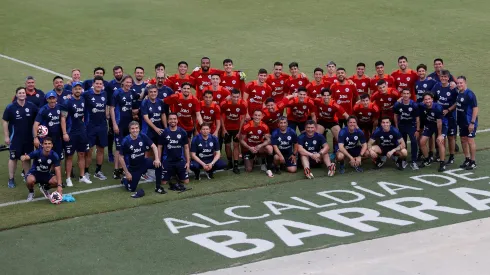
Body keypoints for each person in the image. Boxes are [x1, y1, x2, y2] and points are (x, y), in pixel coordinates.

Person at [2, 87, 39, 188]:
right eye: (20, 93)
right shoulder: (11, 107)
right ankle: (11, 179)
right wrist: (6, 136)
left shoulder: (31, 106)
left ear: (25, 95)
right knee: (13, 158)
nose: (22, 94)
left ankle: (27, 176)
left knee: (27, 158)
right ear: (17, 95)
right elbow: (5, 120)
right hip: (15, 138)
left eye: (23, 92)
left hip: (28, 138)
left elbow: (39, 116)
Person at [119, 121, 163, 198]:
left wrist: (157, 159)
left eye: (136, 128)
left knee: (158, 165)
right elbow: (121, 158)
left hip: (143, 162)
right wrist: (127, 172)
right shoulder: (125, 141)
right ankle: (125, 180)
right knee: (131, 189)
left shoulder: (142, 136)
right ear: (129, 130)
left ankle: (158, 187)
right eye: (132, 129)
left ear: (139, 129)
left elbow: (154, 147)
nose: (135, 130)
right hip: (134, 168)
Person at [60, 81, 91, 185]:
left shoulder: (83, 99)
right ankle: (68, 178)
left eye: (79, 89)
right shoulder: (67, 102)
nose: (77, 90)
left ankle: (82, 176)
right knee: (69, 156)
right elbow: (63, 118)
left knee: (82, 154)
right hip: (71, 132)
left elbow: (85, 114)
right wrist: (64, 133)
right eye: (75, 89)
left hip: (82, 132)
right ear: (72, 90)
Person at [109, 75, 139, 179]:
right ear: (123, 83)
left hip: (129, 124)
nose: (128, 84)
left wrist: (146, 89)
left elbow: (138, 97)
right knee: (118, 147)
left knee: (127, 145)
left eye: (130, 82)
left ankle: (124, 167)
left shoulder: (132, 92)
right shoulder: (117, 93)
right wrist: (114, 124)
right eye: (127, 82)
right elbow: (112, 108)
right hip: (119, 123)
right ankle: (116, 170)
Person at [82, 76, 109, 181]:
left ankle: (98, 171)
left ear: (102, 85)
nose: (98, 85)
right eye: (97, 83)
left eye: (100, 84)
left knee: (101, 149)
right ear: (93, 84)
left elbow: (106, 106)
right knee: (89, 150)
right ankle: (86, 171)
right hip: (90, 126)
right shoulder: (87, 94)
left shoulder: (104, 94)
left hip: (102, 126)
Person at [21, 137, 63, 201]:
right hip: (35, 173)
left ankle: (45, 188)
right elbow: (27, 157)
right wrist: (23, 157)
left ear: (52, 145)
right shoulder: (37, 152)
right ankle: (31, 192)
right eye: (45, 143)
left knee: (57, 181)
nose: (47, 145)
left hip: (46, 174)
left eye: (49, 143)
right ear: (42, 145)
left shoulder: (54, 155)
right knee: (30, 180)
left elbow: (58, 170)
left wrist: (59, 186)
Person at [158, 113, 190, 192]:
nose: (173, 121)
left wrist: (188, 162)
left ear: (177, 120)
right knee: (163, 182)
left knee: (186, 182)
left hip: (180, 160)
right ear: (168, 121)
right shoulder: (164, 133)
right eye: (171, 119)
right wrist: (159, 160)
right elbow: (160, 147)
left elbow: (186, 147)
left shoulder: (183, 132)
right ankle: (172, 173)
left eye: (174, 119)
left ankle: (177, 173)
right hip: (168, 161)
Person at [431, 70, 458, 163]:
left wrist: (448, 110)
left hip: (450, 116)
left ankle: (452, 156)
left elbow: (457, 102)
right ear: (440, 77)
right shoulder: (437, 86)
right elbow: (432, 97)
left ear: (448, 78)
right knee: (442, 136)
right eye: (442, 76)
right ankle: (443, 156)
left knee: (451, 137)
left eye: (445, 77)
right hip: (440, 117)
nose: (443, 78)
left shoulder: (452, 88)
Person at [240, 109, 274, 177]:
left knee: (269, 148)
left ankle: (268, 168)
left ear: (262, 117)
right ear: (252, 116)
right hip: (249, 148)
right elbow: (241, 140)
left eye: (259, 115)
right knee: (248, 169)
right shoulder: (246, 126)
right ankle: (252, 158)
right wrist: (249, 148)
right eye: (255, 115)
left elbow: (269, 140)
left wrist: (260, 145)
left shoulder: (264, 126)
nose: (257, 117)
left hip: (259, 147)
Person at [418, 92, 447, 172]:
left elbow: (439, 123)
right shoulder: (422, 105)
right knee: (422, 142)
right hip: (430, 125)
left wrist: (440, 134)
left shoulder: (437, 108)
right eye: (425, 99)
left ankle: (442, 163)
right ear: (423, 101)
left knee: (439, 141)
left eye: (429, 99)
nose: (427, 101)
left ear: (432, 99)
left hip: (441, 126)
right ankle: (427, 159)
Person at [220, 89, 247, 173]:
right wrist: (223, 129)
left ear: (239, 96)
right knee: (227, 146)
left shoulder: (242, 104)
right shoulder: (224, 104)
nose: (235, 99)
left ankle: (235, 165)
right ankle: (229, 162)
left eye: (237, 97)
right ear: (230, 96)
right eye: (234, 97)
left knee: (236, 145)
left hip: (236, 128)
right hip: (227, 128)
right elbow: (221, 116)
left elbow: (242, 119)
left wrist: (239, 132)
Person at [393, 89, 420, 170]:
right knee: (402, 143)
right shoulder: (398, 104)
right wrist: (397, 127)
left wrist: (417, 130)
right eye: (404, 93)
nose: (405, 95)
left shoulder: (414, 105)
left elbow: (417, 118)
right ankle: (403, 160)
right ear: (401, 94)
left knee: (414, 142)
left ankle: (414, 161)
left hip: (411, 126)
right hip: (401, 126)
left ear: (410, 95)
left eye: (407, 93)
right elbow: (395, 116)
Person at [456, 76, 478, 170]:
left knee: (470, 141)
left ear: (465, 83)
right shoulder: (459, 93)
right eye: (458, 83)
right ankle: (467, 159)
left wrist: (472, 123)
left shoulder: (470, 94)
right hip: (462, 122)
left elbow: (475, 108)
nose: (459, 84)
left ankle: (473, 162)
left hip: (469, 122)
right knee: (463, 140)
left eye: (461, 83)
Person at [33, 91, 63, 160]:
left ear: (56, 99)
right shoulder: (43, 110)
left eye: (53, 98)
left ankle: (54, 171)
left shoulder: (60, 107)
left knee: (57, 157)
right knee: (45, 157)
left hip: (57, 138)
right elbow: (35, 124)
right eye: (50, 99)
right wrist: (35, 138)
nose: (52, 100)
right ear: (47, 99)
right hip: (46, 138)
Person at [106, 65, 124, 163]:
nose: (118, 74)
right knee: (111, 133)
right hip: (114, 113)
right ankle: (109, 152)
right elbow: (108, 100)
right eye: (116, 73)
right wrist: (107, 111)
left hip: (125, 113)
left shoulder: (127, 82)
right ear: (113, 74)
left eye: (119, 72)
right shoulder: (110, 85)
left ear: (122, 72)